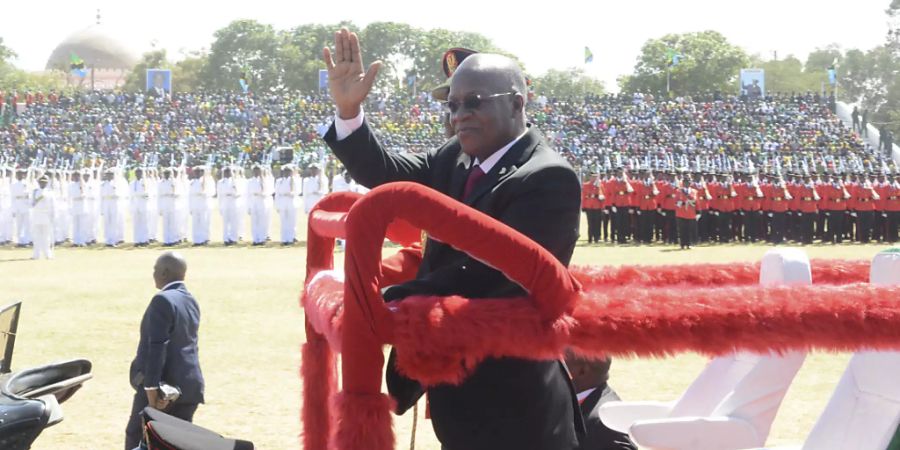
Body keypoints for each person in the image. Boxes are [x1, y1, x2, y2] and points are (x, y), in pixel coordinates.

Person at [322, 28, 583, 450]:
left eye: (474, 102)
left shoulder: (548, 176)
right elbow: (386, 172)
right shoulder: (455, 156)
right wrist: (349, 111)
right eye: (452, 103)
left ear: (518, 103)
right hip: (454, 387)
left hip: (514, 401)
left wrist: (390, 296)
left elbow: (499, 276)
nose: (458, 113)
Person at [125, 252, 204, 450]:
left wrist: (151, 390)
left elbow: (157, 347)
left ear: (165, 272)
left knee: (138, 439)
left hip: (164, 391)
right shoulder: (190, 300)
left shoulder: (162, 300)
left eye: (155, 269)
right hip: (189, 388)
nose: (153, 273)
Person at [565, 351, 637, 450]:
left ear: (582, 371)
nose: (557, 369)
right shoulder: (573, 399)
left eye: (563, 363)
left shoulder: (607, 419)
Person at [246, 165, 273, 245]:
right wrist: (249, 206)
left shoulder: (265, 180)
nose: (256, 172)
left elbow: (270, 191)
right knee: (254, 221)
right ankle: (255, 239)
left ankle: (262, 238)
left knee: (262, 221)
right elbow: (248, 194)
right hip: (254, 201)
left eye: (258, 170)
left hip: (262, 200)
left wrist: (263, 193)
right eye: (255, 170)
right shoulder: (250, 181)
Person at [30, 175, 55, 259]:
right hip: (37, 215)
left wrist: (53, 216)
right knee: (36, 236)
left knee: (47, 236)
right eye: (41, 182)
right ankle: (36, 255)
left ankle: (48, 254)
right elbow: (31, 204)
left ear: (47, 183)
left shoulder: (50, 192)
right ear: (38, 182)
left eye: (44, 182)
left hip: (46, 215)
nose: (43, 183)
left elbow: (53, 205)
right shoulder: (34, 192)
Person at [274, 165, 300, 245]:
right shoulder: (279, 181)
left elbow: (298, 191)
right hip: (282, 202)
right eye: (285, 171)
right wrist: (277, 205)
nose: (287, 173)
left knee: (291, 221)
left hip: (291, 201)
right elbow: (277, 194)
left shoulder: (295, 180)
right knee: (283, 221)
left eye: (288, 171)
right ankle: (284, 239)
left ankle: (291, 238)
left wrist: (291, 193)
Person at [188, 167, 214, 246]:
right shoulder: (192, 182)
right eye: (196, 172)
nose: (197, 174)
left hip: (204, 204)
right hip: (195, 204)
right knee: (195, 223)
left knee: (204, 222)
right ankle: (196, 240)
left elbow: (212, 192)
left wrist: (205, 193)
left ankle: (204, 239)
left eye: (199, 172)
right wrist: (190, 207)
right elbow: (189, 195)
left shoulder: (207, 181)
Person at [674, 174, 698, 250]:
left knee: (689, 229)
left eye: (688, 182)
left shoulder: (694, 191)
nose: (687, 183)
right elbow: (676, 202)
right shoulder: (678, 191)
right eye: (685, 182)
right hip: (681, 213)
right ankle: (682, 244)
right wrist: (683, 203)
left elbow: (695, 200)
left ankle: (689, 244)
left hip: (690, 213)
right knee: (682, 229)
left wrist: (688, 198)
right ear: (683, 183)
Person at [130, 168, 152, 246]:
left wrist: (145, 193)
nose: (138, 174)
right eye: (137, 173)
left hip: (143, 203)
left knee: (144, 222)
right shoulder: (132, 183)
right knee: (136, 223)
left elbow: (149, 194)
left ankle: (144, 239)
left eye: (140, 172)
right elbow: (131, 195)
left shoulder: (146, 182)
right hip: (136, 204)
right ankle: (137, 240)